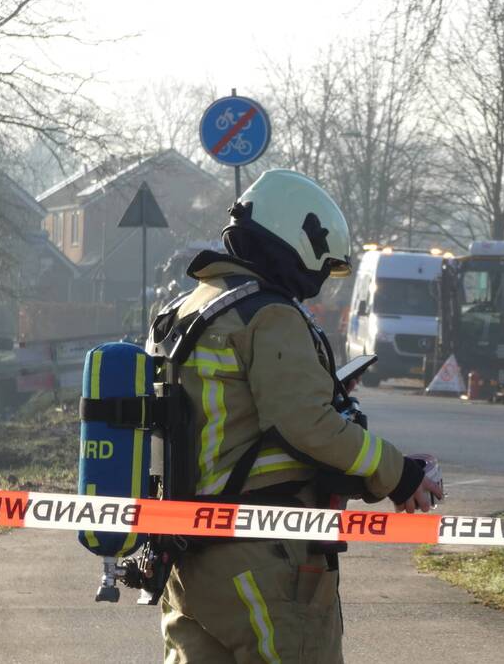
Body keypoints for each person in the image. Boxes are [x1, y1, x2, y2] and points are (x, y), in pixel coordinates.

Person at [156, 169, 442, 663]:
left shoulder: (190, 309)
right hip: (262, 556)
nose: (313, 288)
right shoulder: (268, 314)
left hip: (187, 554)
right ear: (298, 240)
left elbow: (238, 423)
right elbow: (305, 424)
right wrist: (399, 474)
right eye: (321, 268)